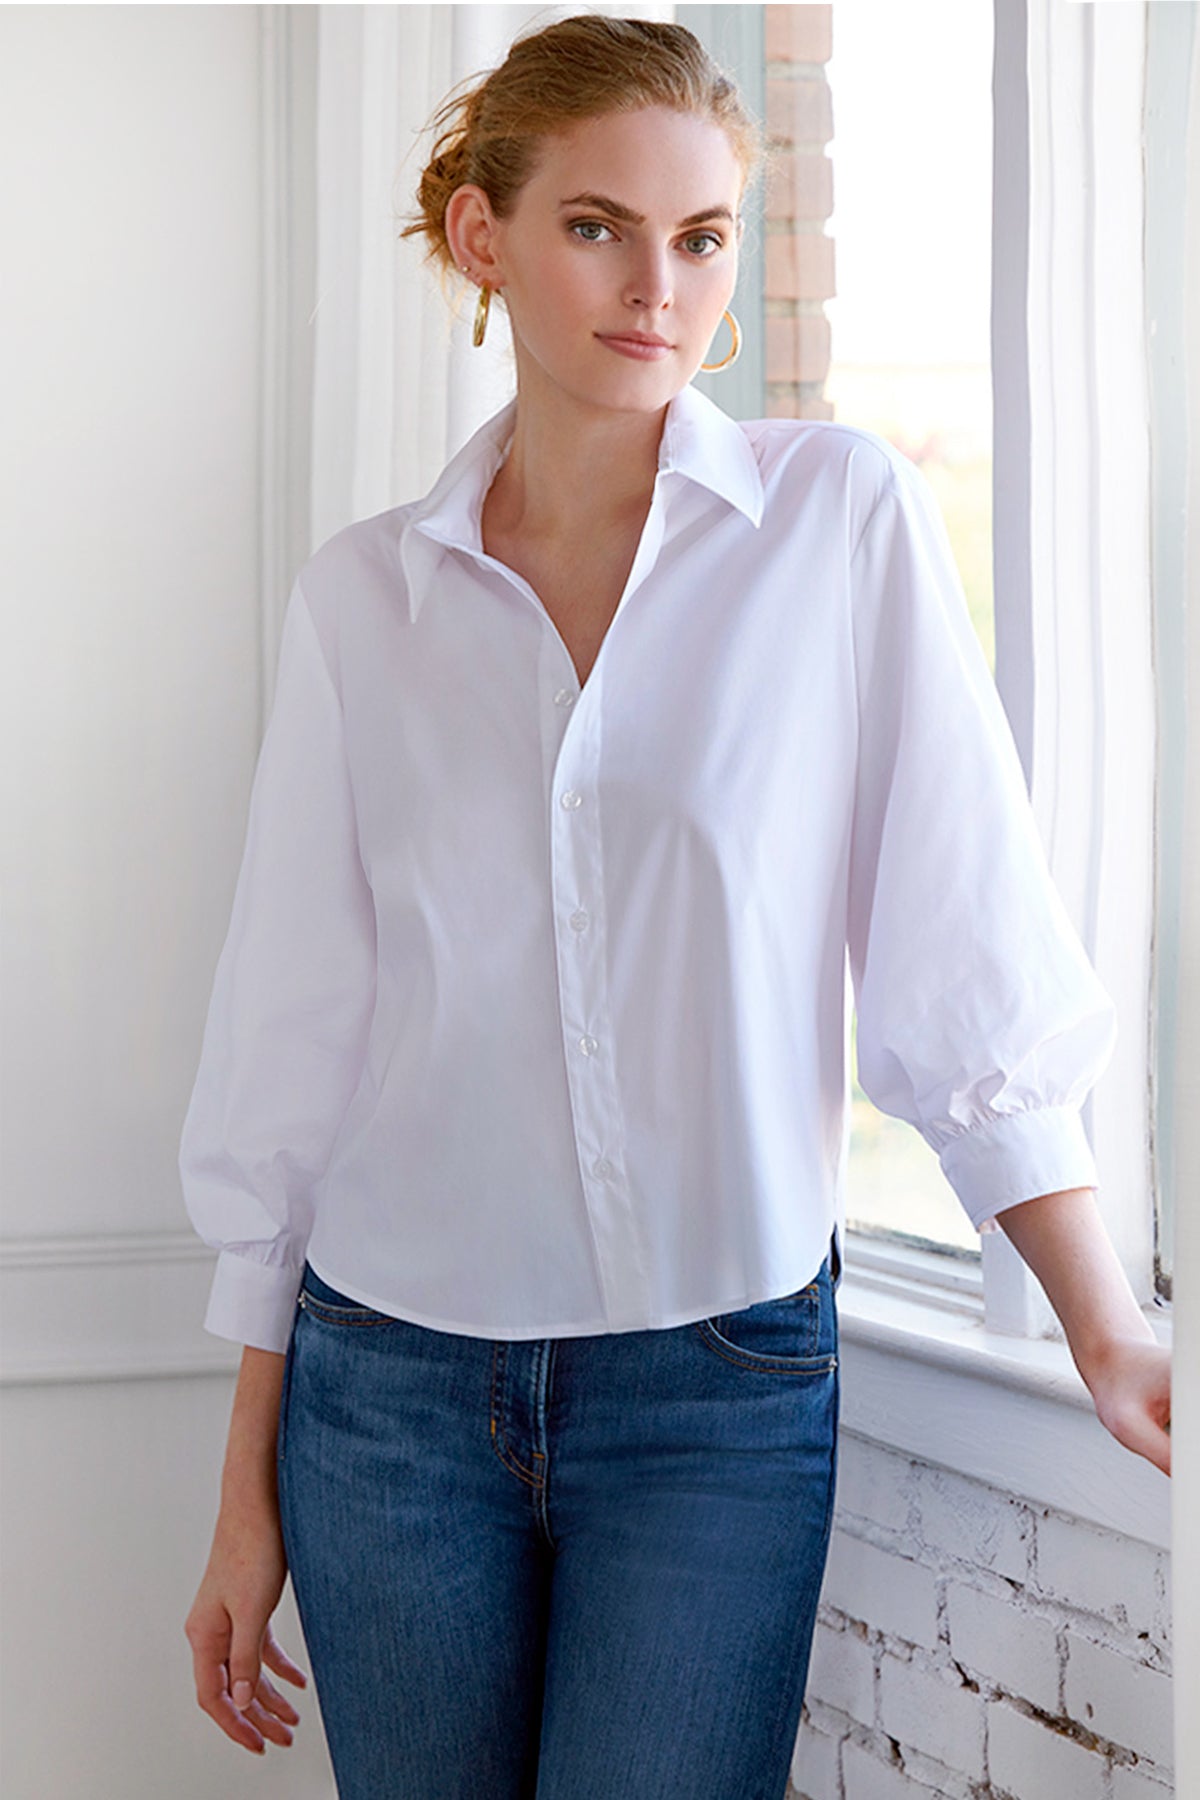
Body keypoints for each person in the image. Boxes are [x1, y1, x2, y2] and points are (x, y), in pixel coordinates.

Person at [180, 16, 1171, 1799]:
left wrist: (1104, 1321)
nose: (661, 286)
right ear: (484, 238)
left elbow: (960, 943)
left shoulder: (834, 523)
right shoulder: (362, 605)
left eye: (704, 237)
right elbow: (294, 1048)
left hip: (714, 1385)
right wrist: (243, 1495)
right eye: (596, 227)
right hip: (387, 1393)